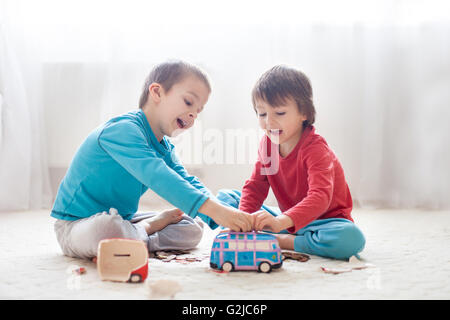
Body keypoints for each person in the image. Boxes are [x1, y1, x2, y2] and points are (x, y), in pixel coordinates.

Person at [51, 60, 252, 260]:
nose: (193, 114)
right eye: (189, 102)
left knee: (193, 226)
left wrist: (223, 214)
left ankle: (133, 242)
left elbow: (187, 181)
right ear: (156, 92)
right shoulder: (121, 130)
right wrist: (216, 211)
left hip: (124, 221)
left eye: (198, 111)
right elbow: (158, 175)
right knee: (106, 230)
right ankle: (143, 231)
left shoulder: (164, 147)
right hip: (77, 225)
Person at [217, 65, 365, 260]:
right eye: (262, 114)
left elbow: (320, 198)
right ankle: (266, 232)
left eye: (279, 113)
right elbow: (255, 187)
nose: (268, 122)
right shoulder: (268, 145)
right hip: (287, 220)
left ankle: (282, 240)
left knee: (351, 239)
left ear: (303, 113)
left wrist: (280, 223)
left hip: (324, 223)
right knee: (225, 199)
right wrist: (242, 220)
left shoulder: (316, 150)